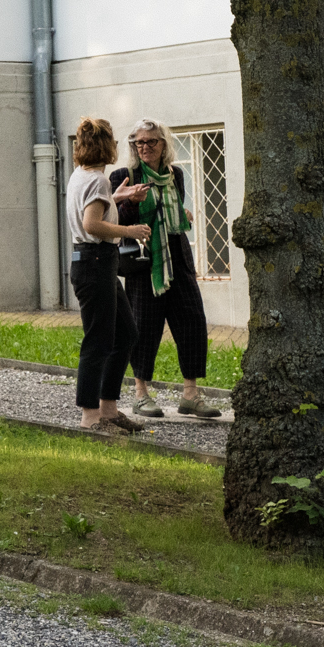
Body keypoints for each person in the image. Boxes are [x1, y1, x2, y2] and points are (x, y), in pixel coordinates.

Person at [111, 121, 222, 419]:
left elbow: (175, 211)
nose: (144, 147)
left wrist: (180, 214)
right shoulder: (124, 176)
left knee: (192, 320)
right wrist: (132, 203)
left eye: (151, 142)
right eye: (138, 143)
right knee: (144, 326)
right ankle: (140, 394)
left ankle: (190, 395)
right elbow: (117, 220)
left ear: (164, 144)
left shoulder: (176, 174)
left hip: (178, 257)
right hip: (145, 259)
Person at [67, 116, 147, 434]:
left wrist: (120, 197)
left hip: (94, 261)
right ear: (108, 146)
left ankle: (109, 410)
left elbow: (93, 211)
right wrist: (130, 229)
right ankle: (91, 417)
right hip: (96, 260)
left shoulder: (82, 175)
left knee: (125, 333)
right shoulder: (98, 180)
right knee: (99, 340)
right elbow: (91, 224)